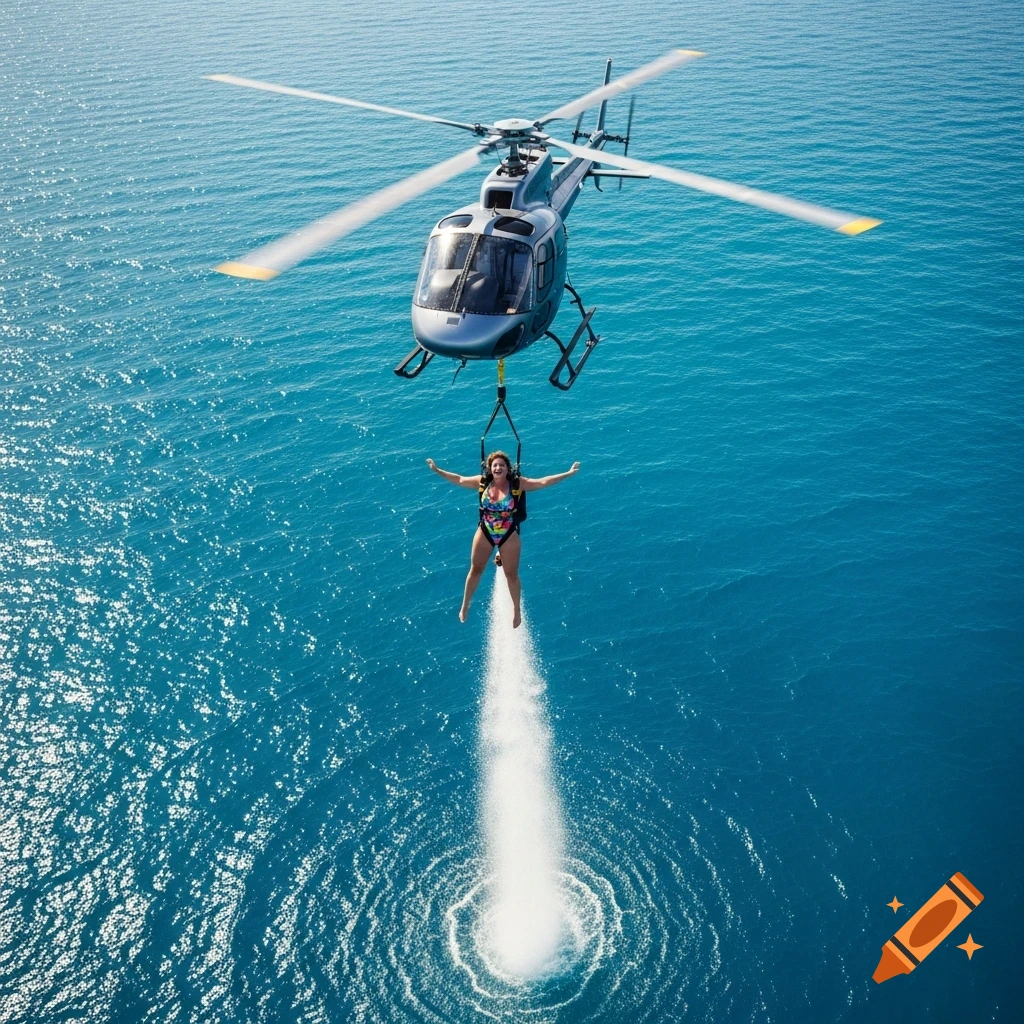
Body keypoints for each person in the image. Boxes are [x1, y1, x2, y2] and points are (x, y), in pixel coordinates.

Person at [426, 451, 580, 628]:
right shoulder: (482, 482)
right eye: (495, 465)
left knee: (511, 575)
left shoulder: (517, 484)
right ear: (490, 469)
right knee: (475, 569)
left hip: (508, 533)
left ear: (508, 468)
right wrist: (437, 470)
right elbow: (459, 479)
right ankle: (465, 605)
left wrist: (568, 473)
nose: (498, 468)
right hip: (486, 530)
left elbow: (544, 481)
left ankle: (516, 611)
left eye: (502, 465)